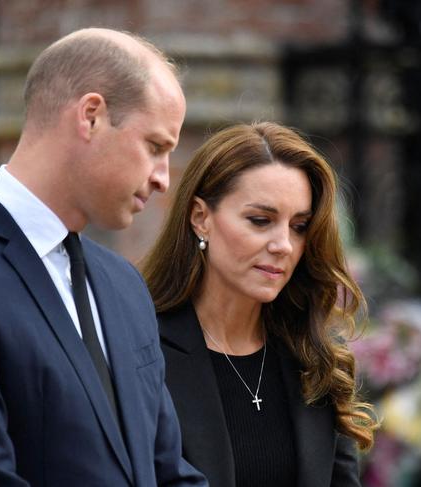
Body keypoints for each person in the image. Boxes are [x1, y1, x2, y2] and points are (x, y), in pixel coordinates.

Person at [0, 28, 208, 487]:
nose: (162, 180)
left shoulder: (124, 285)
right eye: (155, 147)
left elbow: (170, 473)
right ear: (91, 116)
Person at [141, 122, 378, 487]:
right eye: (260, 221)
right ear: (201, 218)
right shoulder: (143, 351)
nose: (283, 244)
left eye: (299, 226)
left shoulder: (314, 354)